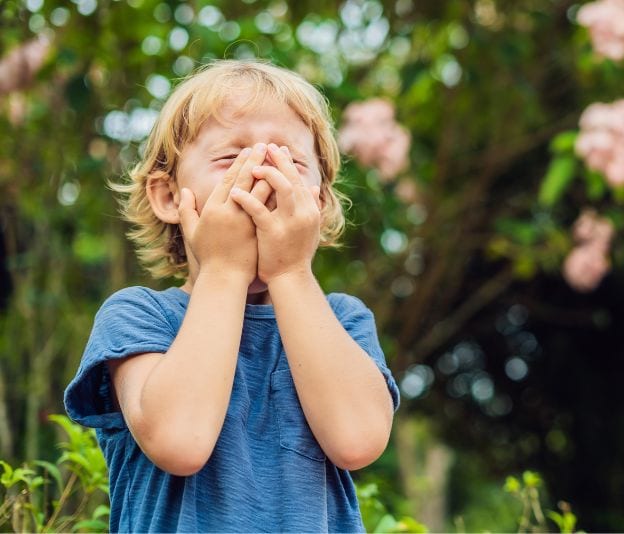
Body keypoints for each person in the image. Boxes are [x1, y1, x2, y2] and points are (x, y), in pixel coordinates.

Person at [63, 59, 400, 533]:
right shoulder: (137, 316)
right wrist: (223, 269)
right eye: (230, 159)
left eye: (290, 162)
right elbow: (180, 442)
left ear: (318, 204)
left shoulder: (343, 320)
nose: (262, 175)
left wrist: (289, 271)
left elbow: (359, 441)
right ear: (168, 197)